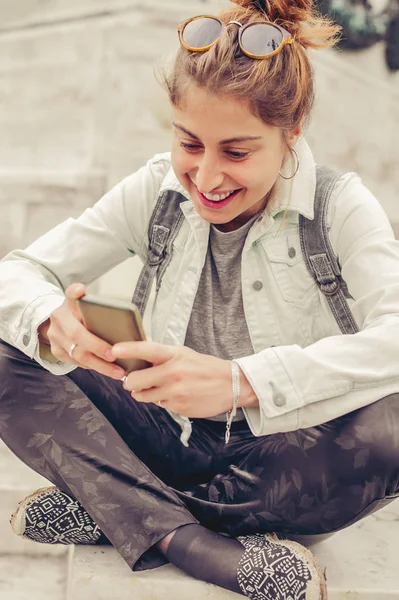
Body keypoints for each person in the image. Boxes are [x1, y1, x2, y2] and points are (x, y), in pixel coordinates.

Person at [0, 0, 398, 598]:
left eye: (236, 153)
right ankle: (192, 543)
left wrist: (243, 381)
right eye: (191, 144)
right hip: (170, 437)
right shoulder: (157, 191)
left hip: (279, 464)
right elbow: (20, 271)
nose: (207, 178)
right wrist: (50, 319)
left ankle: (119, 507)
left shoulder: (340, 206)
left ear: (292, 135)